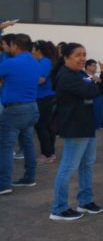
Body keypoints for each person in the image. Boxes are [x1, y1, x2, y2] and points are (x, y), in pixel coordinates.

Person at [49, 43, 103, 221]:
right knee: (68, 167)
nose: (82, 58)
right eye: (77, 55)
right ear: (66, 58)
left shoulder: (78, 74)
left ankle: (85, 201)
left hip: (86, 124)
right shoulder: (66, 76)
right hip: (75, 126)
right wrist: (97, 82)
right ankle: (59, 208)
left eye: (84, 54)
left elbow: (96, 90)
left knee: (87, 164)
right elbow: (92, 91)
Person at [0, 33, 40, 196]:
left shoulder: (10, 63)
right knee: (28, 143)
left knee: (5, 147)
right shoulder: (35, 62)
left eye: (7, 45)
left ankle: (3, 184)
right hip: (32, 107)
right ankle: (29, 177)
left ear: (15, 46)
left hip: (15, 109)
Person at [32, 40, 58, 164]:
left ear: (38, 51)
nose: (31, 52)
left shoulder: (44, 62)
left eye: (32, 49)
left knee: (42, 126)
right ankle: (50, 153)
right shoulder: (43, 61)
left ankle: (46, 153)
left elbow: (40, 80)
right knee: (47, 126)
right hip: (44, 97)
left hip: (44, 97)